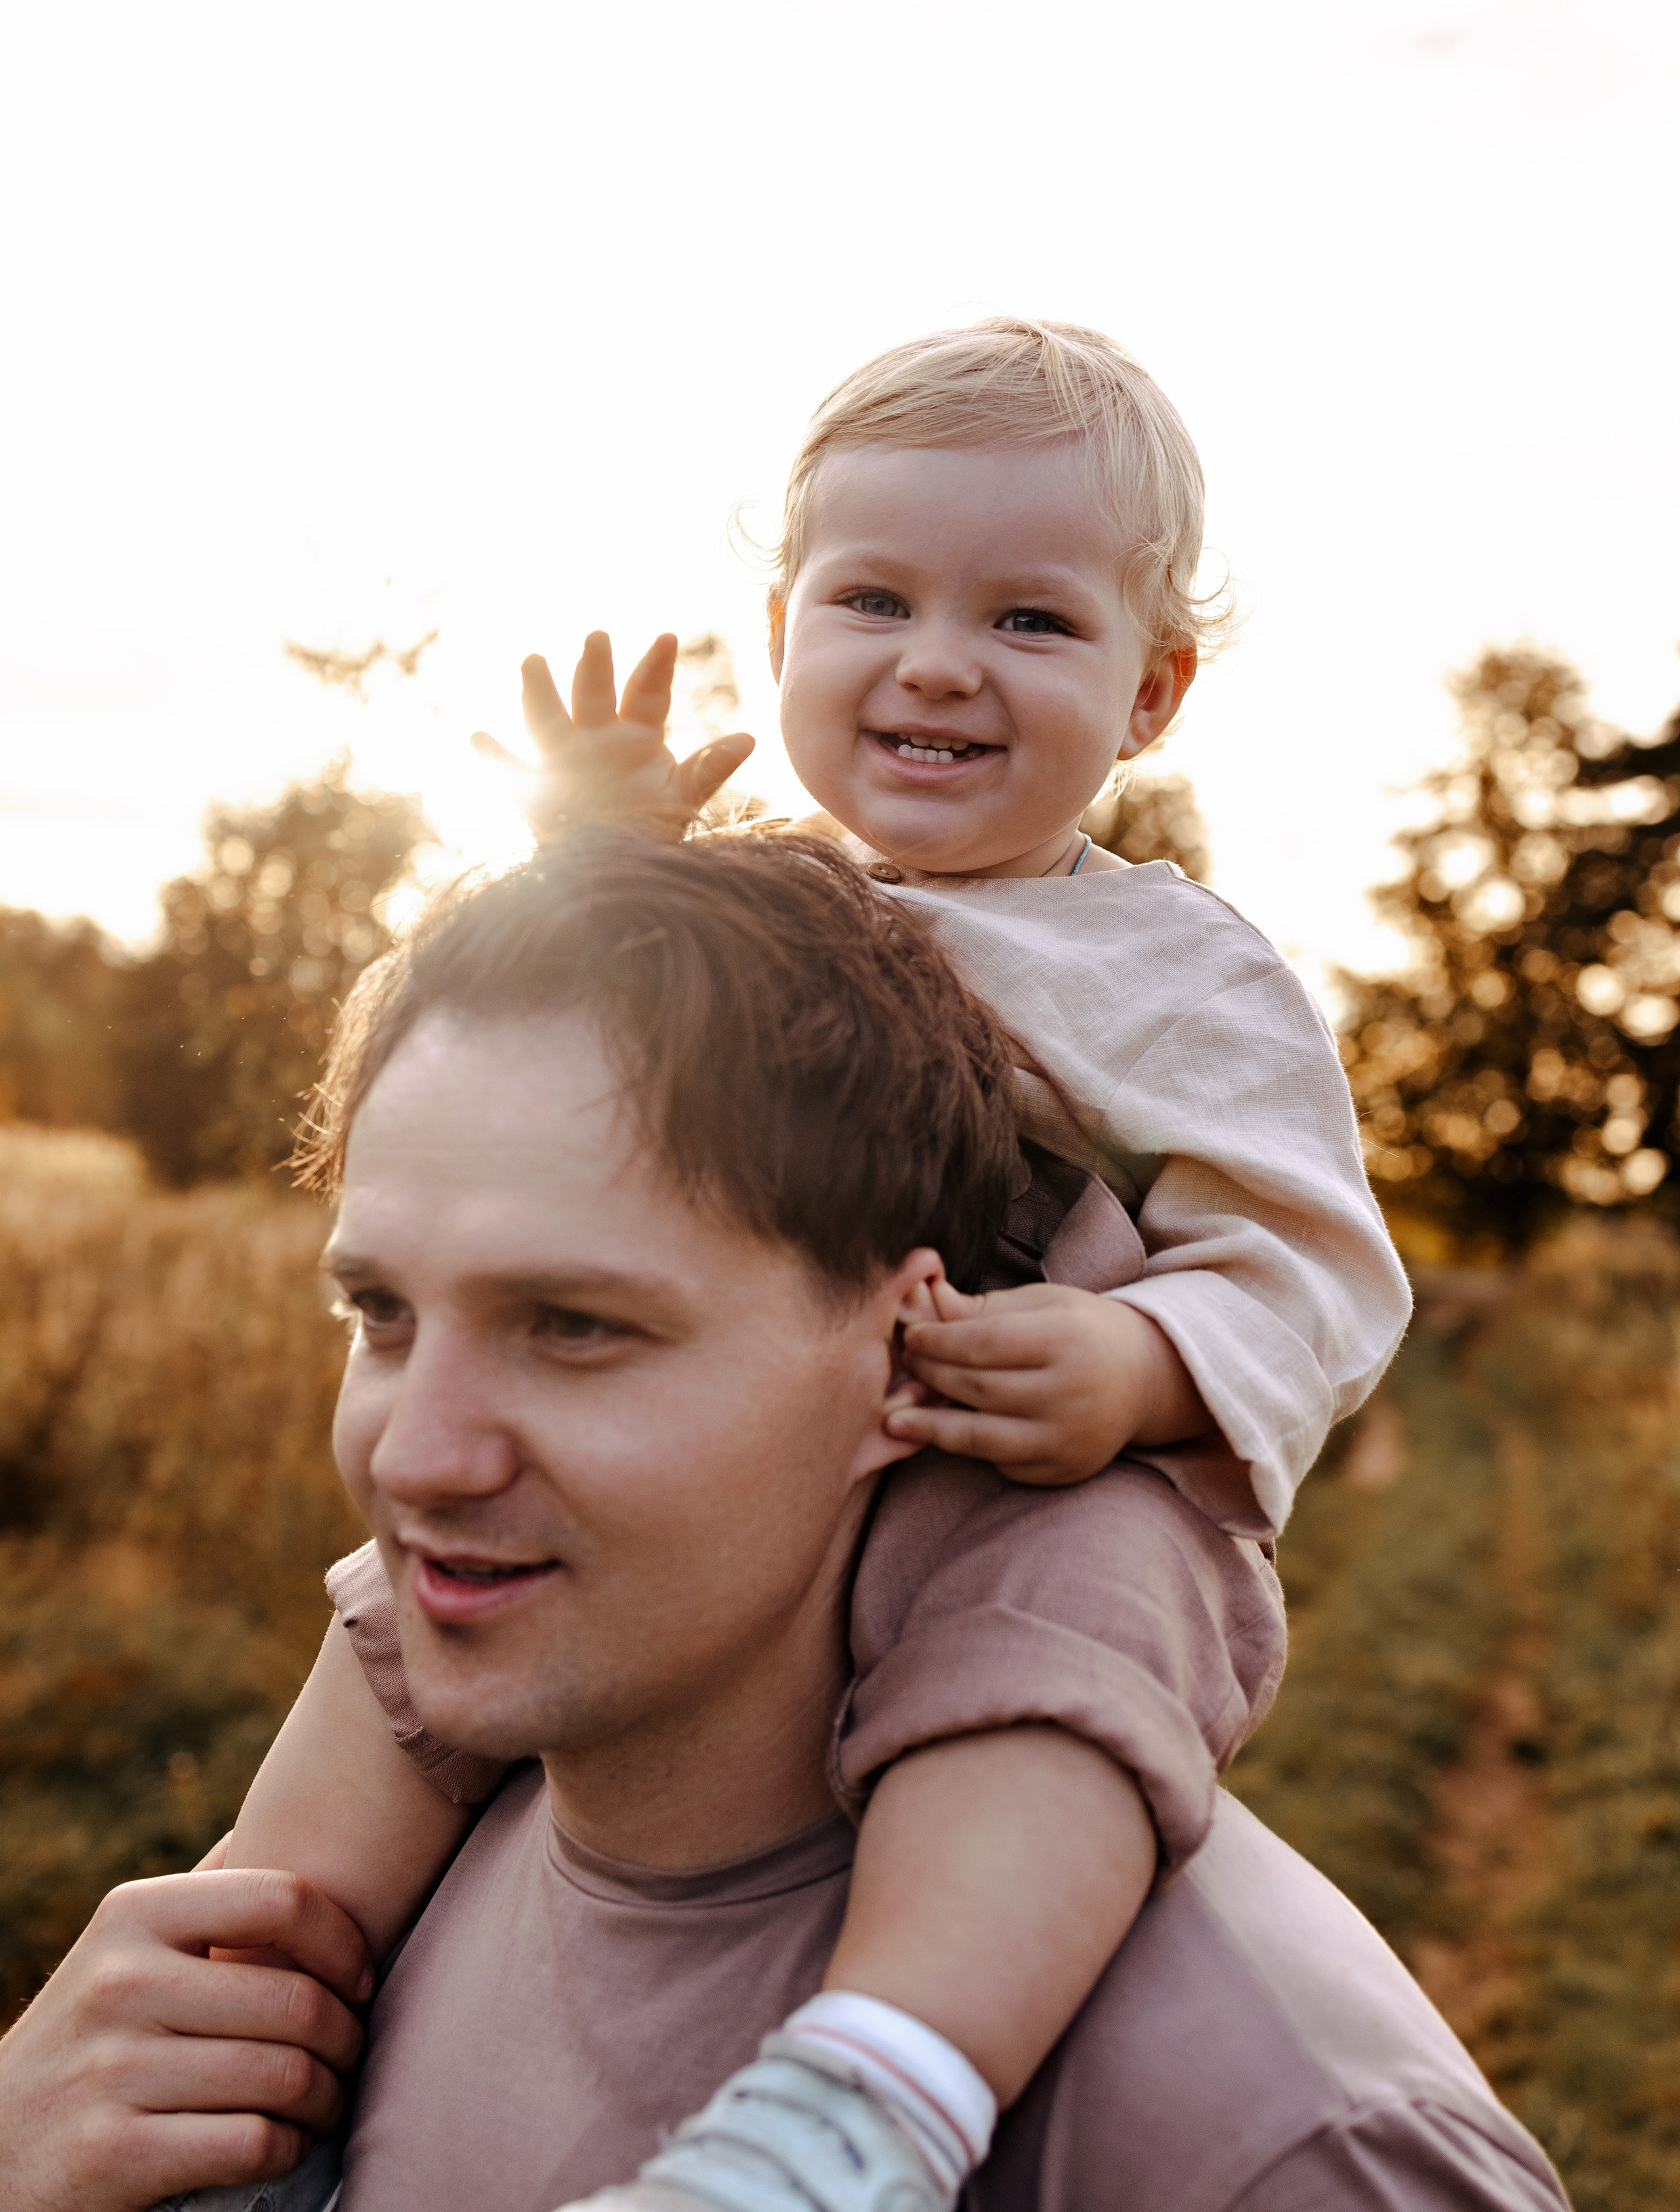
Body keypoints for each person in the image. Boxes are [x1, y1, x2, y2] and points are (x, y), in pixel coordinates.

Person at [212, 320, 1419, 2210]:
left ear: (1151, 691)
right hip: (720, 1461)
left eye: (1029, 620)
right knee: (400, 1632)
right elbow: (556, 1066)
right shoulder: (770, 898)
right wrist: (597, 856)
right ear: (782, 628)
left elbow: (1322, 1272)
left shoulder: (1184, 978)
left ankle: (867, 2099)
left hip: (1027, 1466)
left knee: (1059, 1662)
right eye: (873, 599)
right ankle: (235, 2049)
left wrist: (1139, 1367)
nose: (935, 660)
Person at [0, 833, 1564, 2212]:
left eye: (574, 1327)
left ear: (903, 1355)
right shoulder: (325, 1925)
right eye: (380, 1313)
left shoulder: (1279, 2146)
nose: (415, 1457)